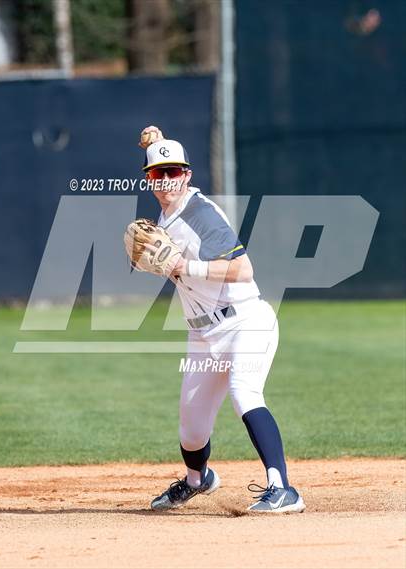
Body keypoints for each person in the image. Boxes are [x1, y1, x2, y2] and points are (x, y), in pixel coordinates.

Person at [139, 126, 305, 513]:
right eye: (157, 174)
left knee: (244, 394)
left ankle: (283, 488)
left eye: (173, 172)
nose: (166, 180)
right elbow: (163, 166)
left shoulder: (199, 214)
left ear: (187, 175)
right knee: (191, 431)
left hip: (244, 320)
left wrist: (185, 266)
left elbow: (243, 269)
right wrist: (156, 145)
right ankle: (198, 480)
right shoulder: (167, 212)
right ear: (148, 180)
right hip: (203, 335)